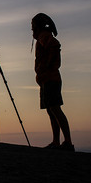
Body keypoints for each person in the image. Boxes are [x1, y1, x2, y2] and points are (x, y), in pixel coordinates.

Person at [31, 13, 74, 151]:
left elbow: (54, 45)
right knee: (51, 110)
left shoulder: (44, 36)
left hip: (50, 79)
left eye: (33, 26)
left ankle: (67, 142)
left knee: (55, 109)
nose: (32, 30)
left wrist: (47, 67)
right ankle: (56, 141)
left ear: (38, 26)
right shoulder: (43, 36)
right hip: (46, 80)